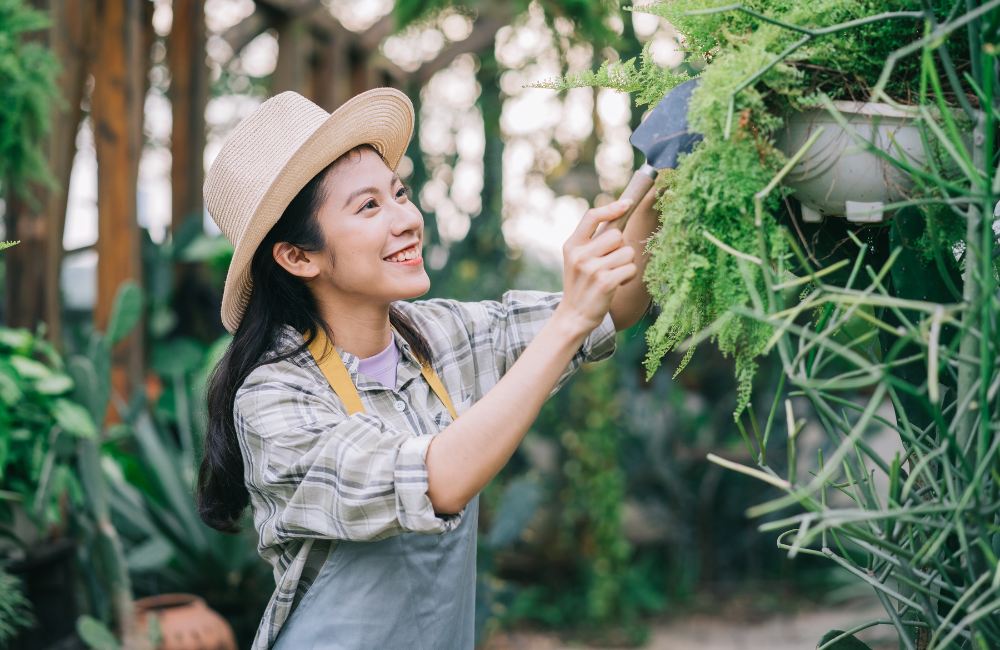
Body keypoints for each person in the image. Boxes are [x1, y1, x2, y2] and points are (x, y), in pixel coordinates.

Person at [197, 88, 660, 650]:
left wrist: (664, 168)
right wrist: (566, 321)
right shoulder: (275, 398)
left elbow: (615, 306)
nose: (408, 219)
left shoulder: (440, 335)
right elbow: (435, 480)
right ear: (299, 256)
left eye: (399, 193)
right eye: (369, 206)